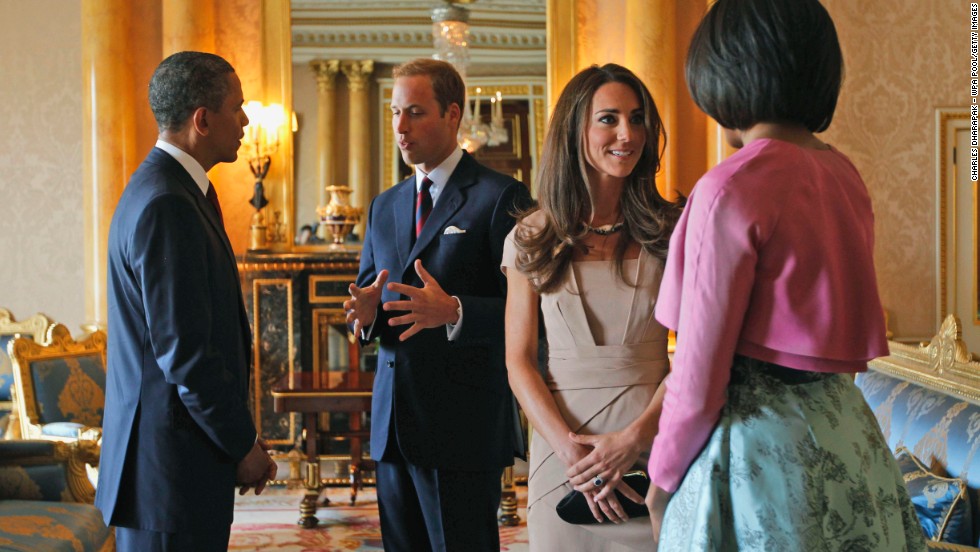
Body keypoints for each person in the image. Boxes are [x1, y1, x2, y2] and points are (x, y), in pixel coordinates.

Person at [644, 1, 926, 550]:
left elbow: (699, 377)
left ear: (728, 71)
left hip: (760, 454)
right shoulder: (844, 175)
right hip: (850, 440)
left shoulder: (730, 187)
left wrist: (660, 482)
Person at [344, 58, 531, 551]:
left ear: (453, 114)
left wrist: (456, 312)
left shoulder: (500, 196)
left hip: (462, 427)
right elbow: (373, 297)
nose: (400, 128)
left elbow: (531, 311)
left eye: (415, 112)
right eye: (394, 113)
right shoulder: (383, 205)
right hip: (391, 428)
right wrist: (364, 317)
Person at [95, 51, 277, 552]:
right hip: (168, 474)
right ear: (202, 119)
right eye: (237, 108)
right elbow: (187, 356)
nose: (244, 120)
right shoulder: (167, 204)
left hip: (175, 466)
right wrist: (242, 445)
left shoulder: (176, 190)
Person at [503, 63, 678, 551]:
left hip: (653, 451)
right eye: (609, 119)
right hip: (563, 461)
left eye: (638, 118)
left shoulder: (674, 232)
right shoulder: (530, 237)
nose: (628, 134)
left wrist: (635, 439)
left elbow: (696, 355)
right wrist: (568, 451)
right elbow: (518, 359)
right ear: (575, 128)